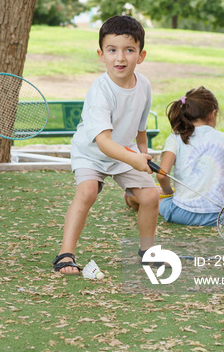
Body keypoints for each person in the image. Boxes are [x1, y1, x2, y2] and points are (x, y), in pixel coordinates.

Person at [53, 15, 160, 275]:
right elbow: (102, 142)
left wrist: (142, 154)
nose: (120, 58)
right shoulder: (100, 91)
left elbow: (140, 127)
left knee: (151, 195)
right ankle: (65, 255)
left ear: (141, 55)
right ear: (101, 55)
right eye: (112, 50)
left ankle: (147, 252)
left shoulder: (144, 85)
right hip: (92, 152)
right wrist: (134, 159)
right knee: (88, 191)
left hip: (124, 151)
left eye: (129, 50)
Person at [156, 86, 224, 226]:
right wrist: (217, 182)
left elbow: (162, 175)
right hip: (222, 216)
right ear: (213, 113)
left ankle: (130, 199)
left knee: (144, 197)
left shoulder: (175, 138)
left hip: (180, 214)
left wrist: (168, 192)